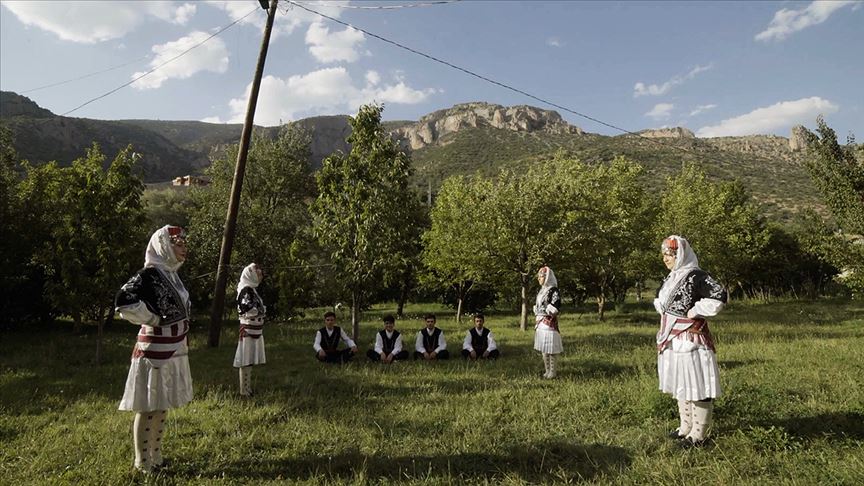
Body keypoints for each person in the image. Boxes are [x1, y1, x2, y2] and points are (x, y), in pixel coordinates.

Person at [115, 225, 193, 473]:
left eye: (183, 244)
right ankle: (142, 461)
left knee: (162, 403)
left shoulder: (172, 274)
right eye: (178, 244)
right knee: (148, 406)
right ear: (164, 246)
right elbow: (123, 300)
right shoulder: (148, 274)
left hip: (174, 348)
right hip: (154, 350)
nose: (184, 249)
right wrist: (152, 318)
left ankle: (156, 456)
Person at [654, 235, 728, 447]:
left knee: (697, 384)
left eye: (670, 254)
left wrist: (695, 310)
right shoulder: (670, 278)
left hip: (692, 339)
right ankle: (685, 427)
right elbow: (661, 301)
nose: (666, 259)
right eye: (665, 255)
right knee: (682, 383)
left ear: (681, 254)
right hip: (673, 339)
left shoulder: (697, 276)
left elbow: (718, 296)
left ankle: (699, 435)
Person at [233, 263, 266, 396]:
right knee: (246, 359)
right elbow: (247, 308)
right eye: (258, 274)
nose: (260, 277)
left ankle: (247, 388)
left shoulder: (251, 289)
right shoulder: (245, 289)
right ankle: (244, 390)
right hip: (248, 330)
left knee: (249, 360)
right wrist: (260, 311)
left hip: (254, 329)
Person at [534, 266, 563, 378]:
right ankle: (547, 370)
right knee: (544, 348)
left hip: (549, 322)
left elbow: (556, 305)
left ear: (546, 277)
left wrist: (550, 309)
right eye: (538, 277)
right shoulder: (541, 290)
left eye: (540, 277)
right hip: (540, 323)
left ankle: (553, 372)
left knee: (551, 347)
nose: (539, 279)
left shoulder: (553, 290)